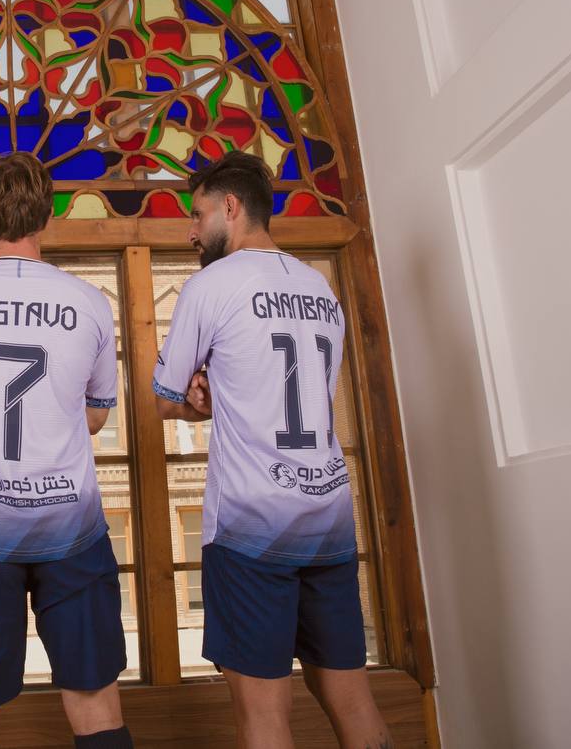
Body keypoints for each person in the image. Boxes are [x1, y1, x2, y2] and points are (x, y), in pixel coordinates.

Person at [152, 152, 392, 749]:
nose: (191, 230)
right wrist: (223, 390)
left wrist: (196, 402)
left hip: (250, 528)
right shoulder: (318, 286)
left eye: (198, 214)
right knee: (353, 699)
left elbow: (163, 398)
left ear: (230, 208)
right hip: (328, 516)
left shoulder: (210, 285)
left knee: (263, 714)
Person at [0, 153, 133, 749]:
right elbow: (96, 417)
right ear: (46, 218)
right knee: (96, 701)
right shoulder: (90, 302)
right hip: (73, 529)